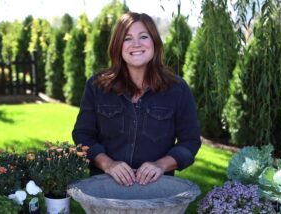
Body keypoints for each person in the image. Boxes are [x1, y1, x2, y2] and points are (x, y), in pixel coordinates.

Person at [72, 12, 201, 186]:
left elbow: (191, 141)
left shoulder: (177, 89)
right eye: (127, 38)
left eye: (143, 37)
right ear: (118, 45)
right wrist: (108, 164)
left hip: (157, 190)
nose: (136, 44)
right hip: (105, 188)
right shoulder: (97, 86)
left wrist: (160, 165)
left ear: (154, 42)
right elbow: (83, 135)